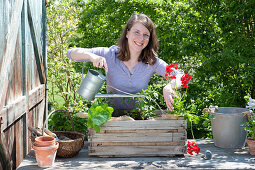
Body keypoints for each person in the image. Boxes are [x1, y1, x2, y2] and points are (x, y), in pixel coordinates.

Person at [67, 14, 183, 116]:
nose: (140, 38)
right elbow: (71, 53)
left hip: (140, 120)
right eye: (136, 32)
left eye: (146, 35)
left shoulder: (152, 62)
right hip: (110, 120)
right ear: (127, 33)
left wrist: (170, 87)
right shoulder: (109, 55)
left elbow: (180, 77)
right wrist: (92, 57)